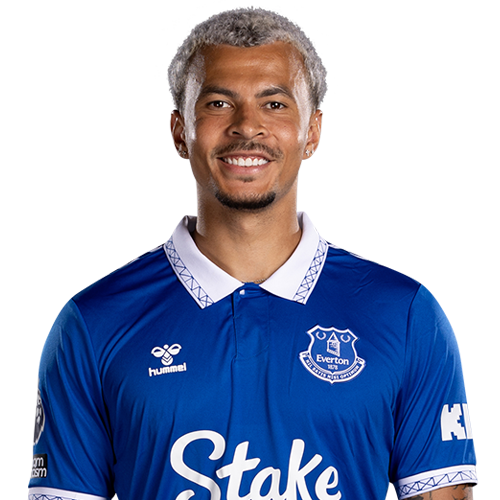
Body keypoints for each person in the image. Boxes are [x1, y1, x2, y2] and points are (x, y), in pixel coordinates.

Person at [29, 10, 476, 500]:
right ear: (180, 132)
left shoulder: (404, 315)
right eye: (219, 103)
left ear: (311, 133)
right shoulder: (93, 324)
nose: (247, 126)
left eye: (275, 104)